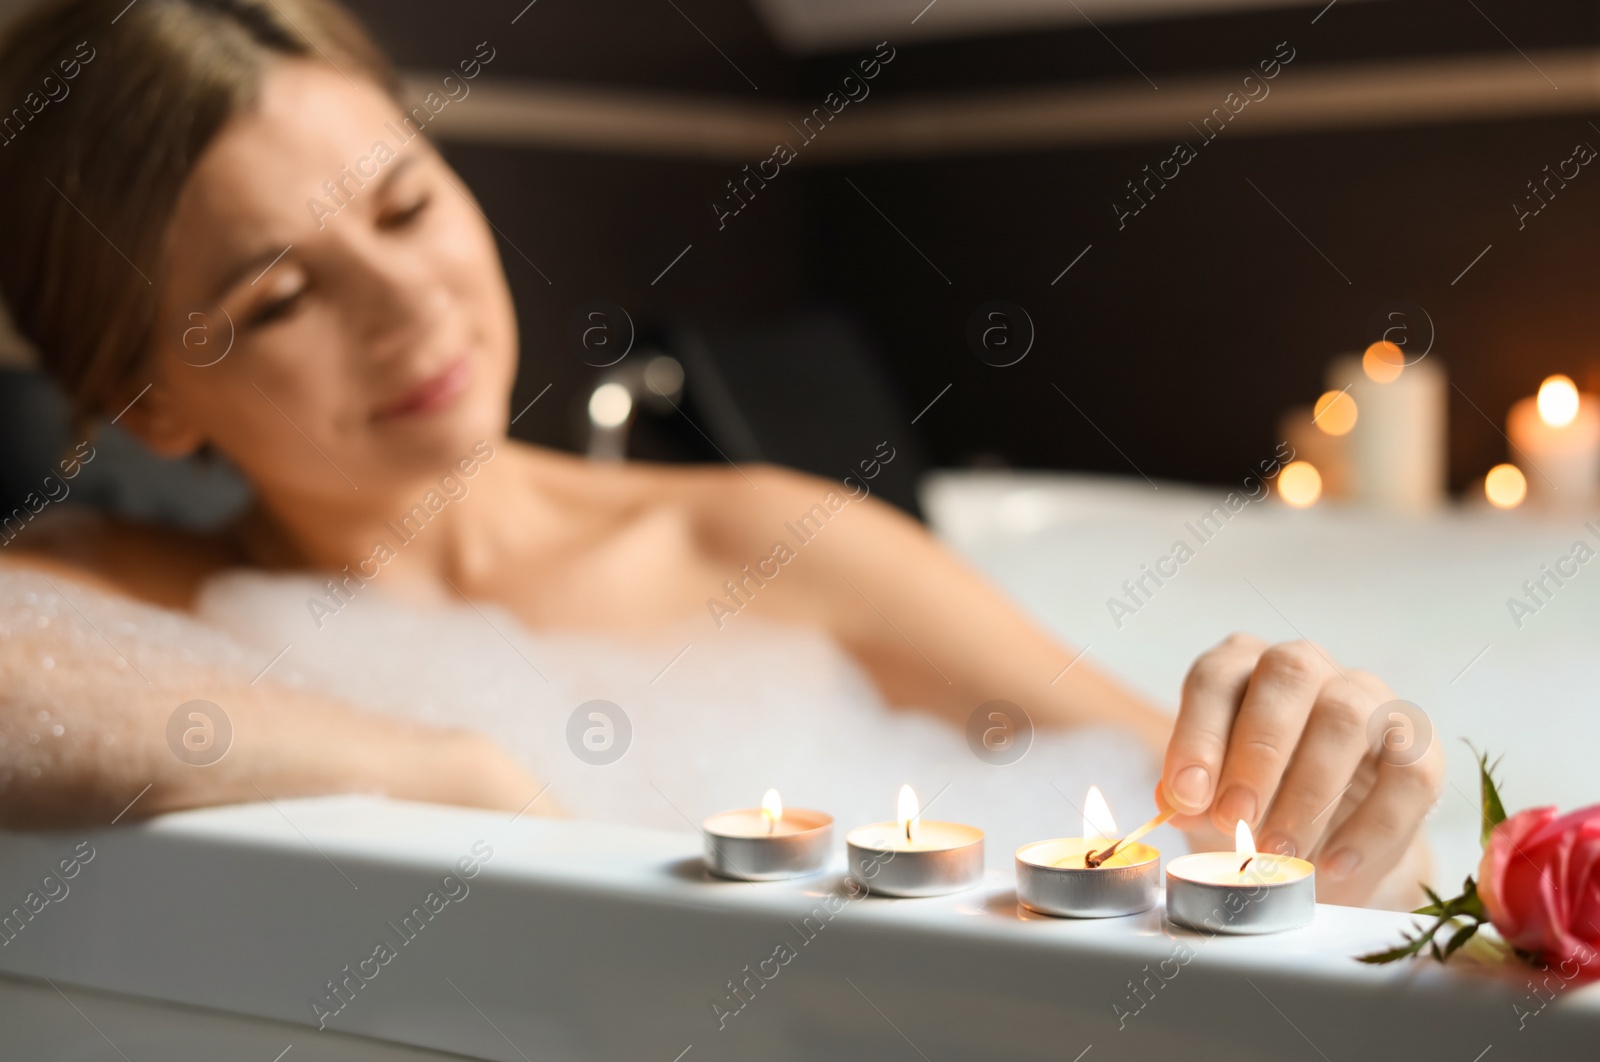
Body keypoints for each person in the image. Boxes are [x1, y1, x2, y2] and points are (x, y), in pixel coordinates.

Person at [0, 0, 1440, 907]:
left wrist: (1347, 794)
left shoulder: (763, 545)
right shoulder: (126, 593)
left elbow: (1259, 851)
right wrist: (436, 764)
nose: (408, 304)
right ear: (147, 400)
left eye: (404, 207)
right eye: (282, 296)